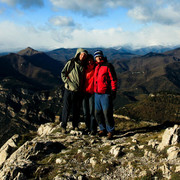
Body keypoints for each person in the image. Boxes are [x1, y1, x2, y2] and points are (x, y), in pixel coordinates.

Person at [60, 48, 88, 133]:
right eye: (81, 54)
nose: (82, 56)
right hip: (69, 90)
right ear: (78, 54)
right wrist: (67, 82)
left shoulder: (84, 65)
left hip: (78, 91)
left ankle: (75, 125)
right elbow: (63, 73)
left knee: (76, 109)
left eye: (84, 55)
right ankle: (63, 126)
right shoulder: (71, 63)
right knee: (66, 108)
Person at [94, 50, 117, 140]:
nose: (99, 58)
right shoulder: (95, 67)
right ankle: (102, 129)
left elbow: (113, 79)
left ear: (102, 57)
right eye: (97, 56)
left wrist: (113, 91)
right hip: (96, 94)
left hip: (105, 93)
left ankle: (110, 131)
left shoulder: (108, 66)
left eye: (100, 56)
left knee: (107, 113)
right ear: (95, 58)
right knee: (97, 113)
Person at [82, 54, 97, 135]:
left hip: (92, 92)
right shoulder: (84, 69)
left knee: (92, 112)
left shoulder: (96, 68)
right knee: (85, 113)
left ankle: (93, 129)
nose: (89, 61)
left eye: (91, 59)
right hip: (84, 93)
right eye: (88, 60)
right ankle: (88, 127)